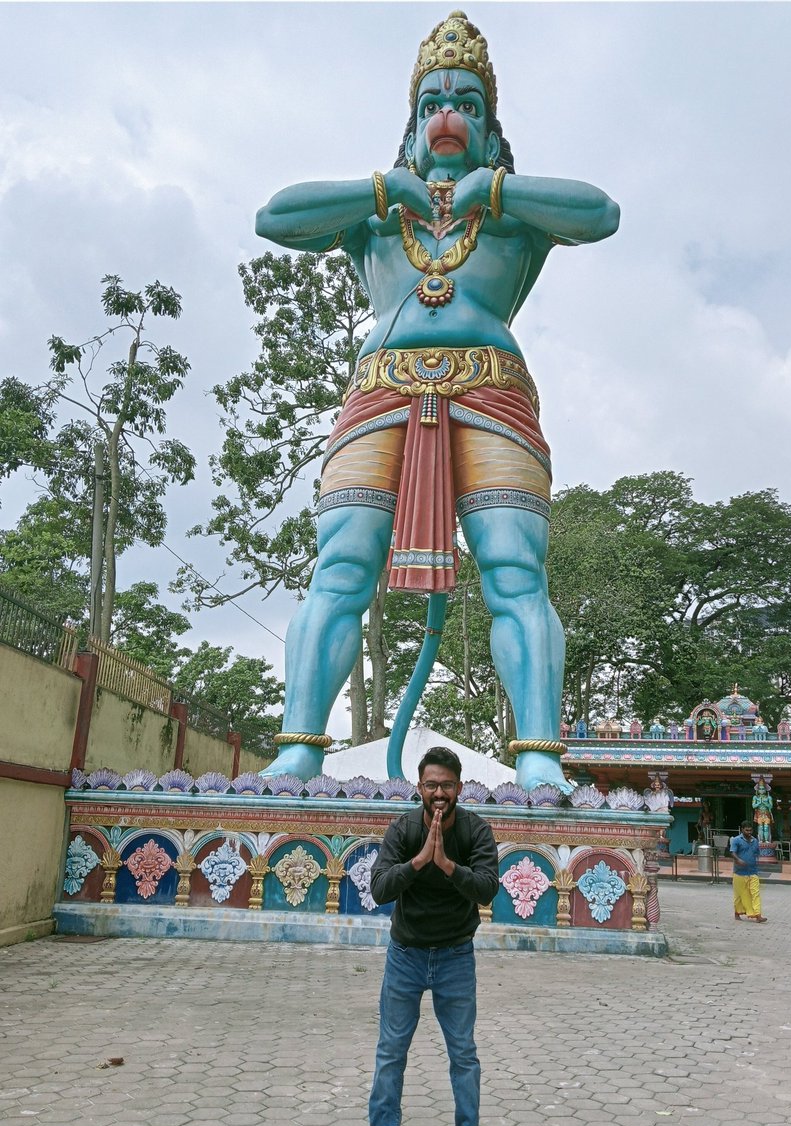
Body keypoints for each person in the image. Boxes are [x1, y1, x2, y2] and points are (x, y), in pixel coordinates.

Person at [255, 11, 620, 794]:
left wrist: (499, 186)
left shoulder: (515, 215)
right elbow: (274, 218)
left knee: (516, 572)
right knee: (342, 566)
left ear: (490, 132)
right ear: (411, 128)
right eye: (430, 104)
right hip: (380, 391)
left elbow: (601, 214)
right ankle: (298, 750)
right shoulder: (378, 217)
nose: (447, 114)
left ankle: (537, 758)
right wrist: (386, 187)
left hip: (492, 387)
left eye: (467, 104)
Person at [358, 746, 500, 1126]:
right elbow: (379, 889)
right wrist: (421, 860)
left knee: (463, 1055)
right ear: (419, 787)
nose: (439, 793)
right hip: (407, 954)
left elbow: (487, 890)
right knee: (390, 1053)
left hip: (456, 953)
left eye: (447, 785)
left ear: (460, 787)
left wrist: (447, 865)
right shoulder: (402, 829)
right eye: (431, 785)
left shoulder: (477, 830)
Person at [729, 821, 767, 923]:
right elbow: (732, 853)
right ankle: (737, 912)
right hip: (739, 872)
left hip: (753, 871)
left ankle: (758, 915)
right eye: (747, 830)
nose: (749, 832)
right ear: (742, 830)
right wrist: (738, 860)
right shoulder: (736, 840)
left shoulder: (755, 841)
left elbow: (756, 853)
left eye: (750, 830)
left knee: (755, 893)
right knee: (739, 895)